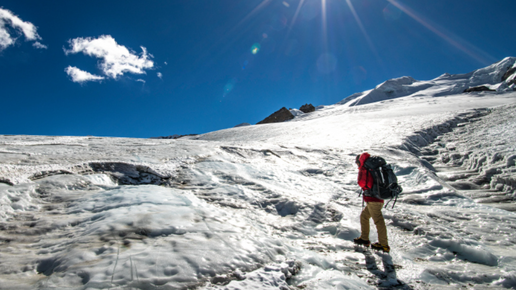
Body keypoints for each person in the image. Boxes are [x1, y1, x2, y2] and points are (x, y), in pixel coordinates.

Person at [353, 152, 390, 253]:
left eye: (357, 163)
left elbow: (363, 183)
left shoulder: (365, 168)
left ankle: (384, 245)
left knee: (378, 221)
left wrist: (364, 186)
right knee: (364, 216)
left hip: (373, 199)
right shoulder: (373, 168)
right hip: (377, 198)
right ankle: (364, 238)